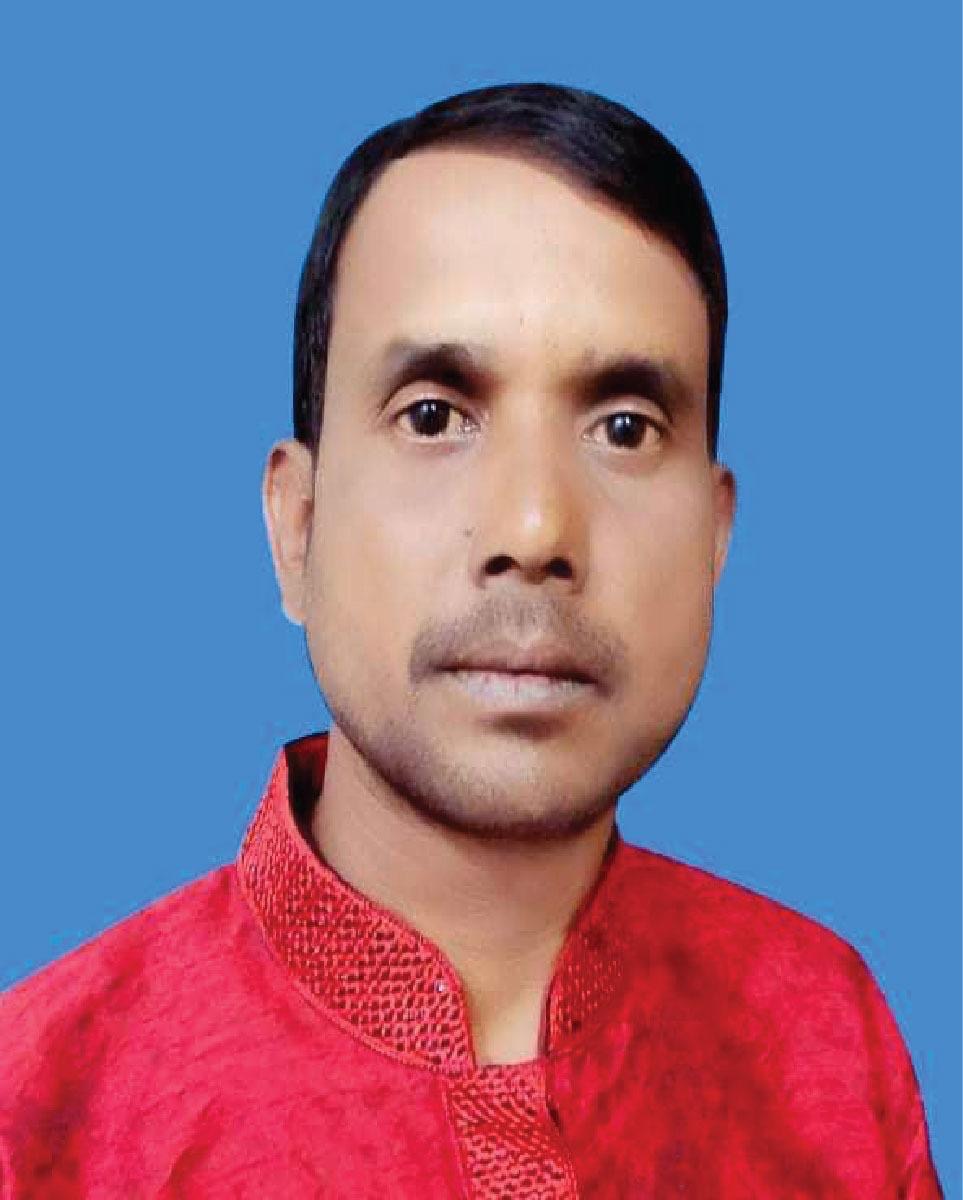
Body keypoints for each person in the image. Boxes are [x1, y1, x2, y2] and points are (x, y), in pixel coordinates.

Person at [0, 83, 942, 1198]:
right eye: (434, 416)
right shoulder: (43, 1101)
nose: (534, 529)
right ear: (297, 527)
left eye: (625, 428)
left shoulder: (825, 1033)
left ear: (714, 539)